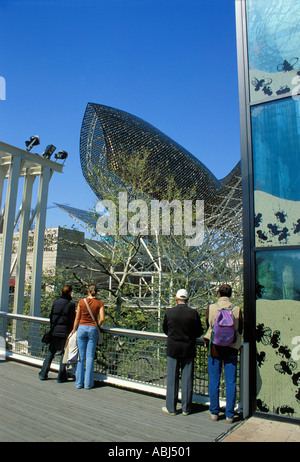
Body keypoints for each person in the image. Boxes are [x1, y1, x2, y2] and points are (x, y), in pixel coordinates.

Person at [204, 284, 243, 423]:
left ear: (218, 294)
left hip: (215, 348)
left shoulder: (212, 308)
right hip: (232, 348)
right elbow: (240, 329)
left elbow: (208, 325)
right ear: (230, 294)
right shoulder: (237, 309)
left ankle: (214, 413)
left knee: (214, 380)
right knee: (231, 381)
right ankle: (230, 415)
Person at [162, 289, 203, 415]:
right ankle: (186, 408)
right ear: (188, 299)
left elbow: (165, 329)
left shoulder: (169, 312)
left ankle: (171, 408)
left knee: (172, 379)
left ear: (176, 298)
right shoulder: (193, 313)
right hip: (188, 349)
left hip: (173, 349)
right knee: (187, 379)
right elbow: (199, 332)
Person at [39, 284, 76, 382]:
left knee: (51, 352)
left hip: (54, 331)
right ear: (70, 293)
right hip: (65, 333)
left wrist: (52, 328)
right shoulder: (71, 305)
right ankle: (61, 376)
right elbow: (72, 319)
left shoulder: (55, 302)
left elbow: (51, 317)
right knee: (64, 354)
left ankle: (43, 373)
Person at [72, 284, 105, 389]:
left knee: (80, 357)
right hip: (92, 329)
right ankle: (88, 384)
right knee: (90, 356)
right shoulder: (99, 303)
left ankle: (78, 383)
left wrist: (74, 329)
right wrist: (97, 326)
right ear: (97, 291)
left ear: (88, 291)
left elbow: (77, 318)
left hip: (81, 328)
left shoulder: (81, 302)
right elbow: (102, 318)